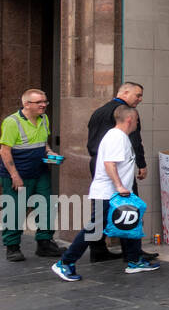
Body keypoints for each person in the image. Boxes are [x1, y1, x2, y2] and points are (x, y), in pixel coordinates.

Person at [52, 105, 159, 280]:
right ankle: (65, 263)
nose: (137, 124)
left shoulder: (120, 137)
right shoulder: (116, 137)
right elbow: (110, 163)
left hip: (118, 192)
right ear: (130, 119)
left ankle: (134, 261)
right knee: (94, 228)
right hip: (109, 193)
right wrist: (119, 187)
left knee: (130, 223)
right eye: (137, 121)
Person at [85, 83, 156, 262]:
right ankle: (132, 252)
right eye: (137, 95)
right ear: (124, 92)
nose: (140, 99)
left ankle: (98, 249)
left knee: (102, 210)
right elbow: (134, 140)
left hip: (99, 163)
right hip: (116, 165)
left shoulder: (98, 111)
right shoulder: (126, 114)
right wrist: (141, 163)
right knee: (128, 207)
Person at [0, 89, 62, 261]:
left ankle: (44, 243)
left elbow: (44, 144)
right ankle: (12, 247)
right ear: (26, 104)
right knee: (15, 210)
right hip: (18, 173)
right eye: (39, 102)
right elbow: (5, 151)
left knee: (47, 206)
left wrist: (50, 154)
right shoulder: (12, 122)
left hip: (40, 171)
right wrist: (14, 176)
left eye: (45, 101)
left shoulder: (44, 119)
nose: (44, 105)